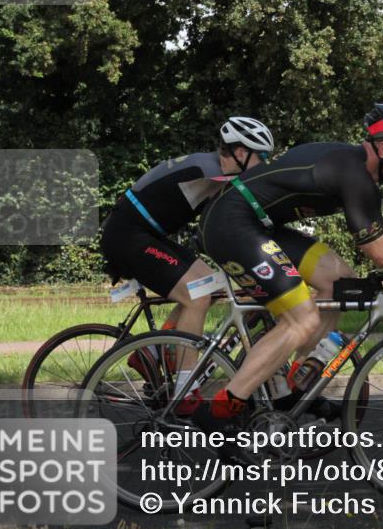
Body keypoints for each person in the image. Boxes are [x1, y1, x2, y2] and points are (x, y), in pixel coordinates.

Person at [191, 104, 383, 433]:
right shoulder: (353, 174)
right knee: (302, 318)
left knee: (340, 281)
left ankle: (293, 390)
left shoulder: (357, 170)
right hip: (230, 222)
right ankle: (220, 411)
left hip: (258, 224)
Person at [99, 117, 274, 410]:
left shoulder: (214, 168)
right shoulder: (213, 172)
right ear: (242, 154)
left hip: (143, 233)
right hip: (129, 236)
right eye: (263, 157)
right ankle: (185, 388)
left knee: (209, 282)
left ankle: (154, 351)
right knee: (198, 292)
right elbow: (247, 209)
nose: (265, 164)